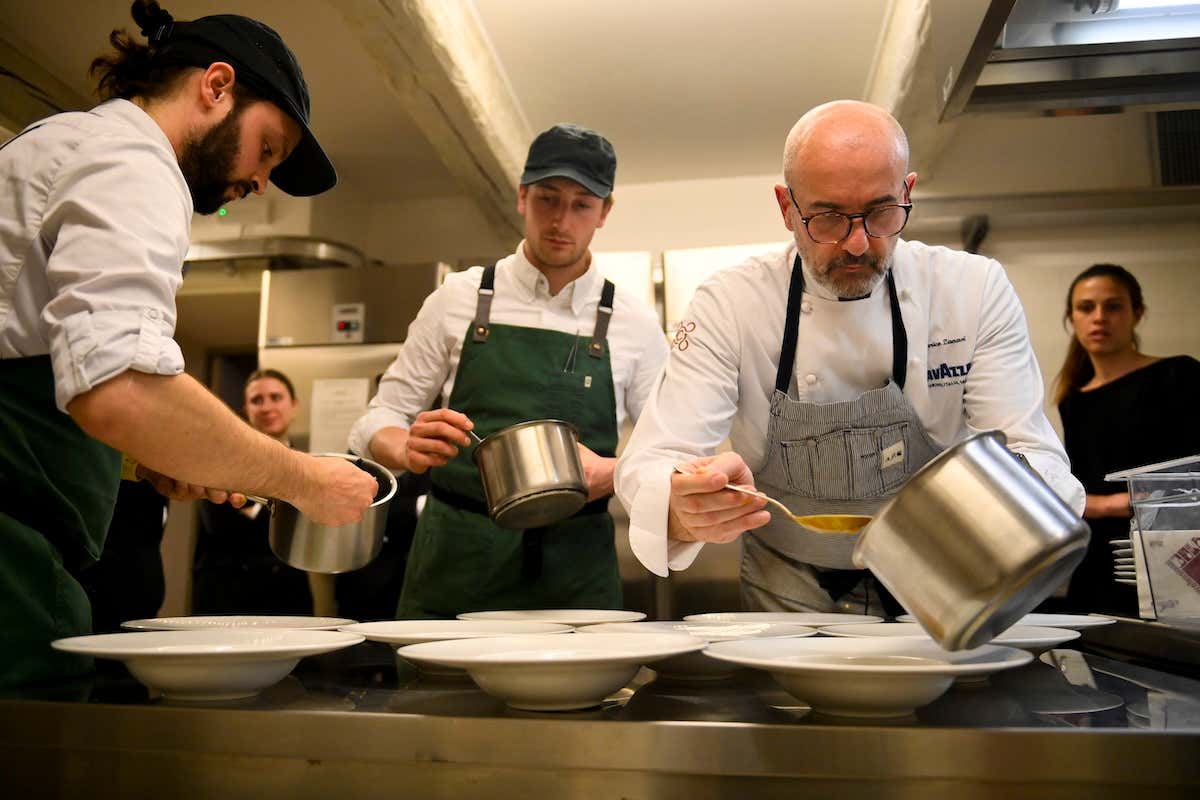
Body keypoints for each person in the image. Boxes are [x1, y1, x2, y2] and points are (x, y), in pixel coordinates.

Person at [0, 1, 377, 688]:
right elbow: (119, 392)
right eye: (267, 148)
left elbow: (47, 372)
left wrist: (145, 461)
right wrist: (305, 481)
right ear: (216, 86)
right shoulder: (135, 160)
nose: (261, 181)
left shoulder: (66, 141)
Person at [613, 100, 1086, 615]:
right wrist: (683, 506)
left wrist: (1022, 520)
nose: (857, 243)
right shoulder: (731, 303)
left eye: (881, 212)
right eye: (829, 217)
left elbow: (1027, 448)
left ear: (907, 192)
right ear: (786, 207)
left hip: (946, 582)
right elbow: (654, 459)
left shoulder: (972, 291)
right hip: (786, 586)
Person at [349, 123, 669, 619]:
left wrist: (611, 472)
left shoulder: (635, 322)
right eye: (547, 198)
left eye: (582, 204)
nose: (561, 220)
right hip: (458, 561)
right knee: (439, 697)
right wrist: (404, 447)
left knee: (576, 697)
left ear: (605, 213)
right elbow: (376, 419)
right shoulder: (457, 299)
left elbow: (669, 451)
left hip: (574, 571)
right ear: (522, 196)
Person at [1053, 263, 1200, 615]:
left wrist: (1111, 504)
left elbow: (1192, 475)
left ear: (1138, 314)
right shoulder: (1073, 401)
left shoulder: (1179, 375)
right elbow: (1079, 487)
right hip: (1097, 558)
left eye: (1113, 306)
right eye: (1087, 307)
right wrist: (1110, 505)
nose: (1099, 317)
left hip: (1171, 554)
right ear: (1072, 318)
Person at [192, 369, 313, 615]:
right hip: (225, 596)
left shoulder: (311, 468)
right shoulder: (218, 461)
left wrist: (253, 511)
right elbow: (221, 526)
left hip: (289, 596)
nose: (267, 407)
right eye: (257, 400)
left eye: (276, 397)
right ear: (247, 409)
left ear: (294, 405)